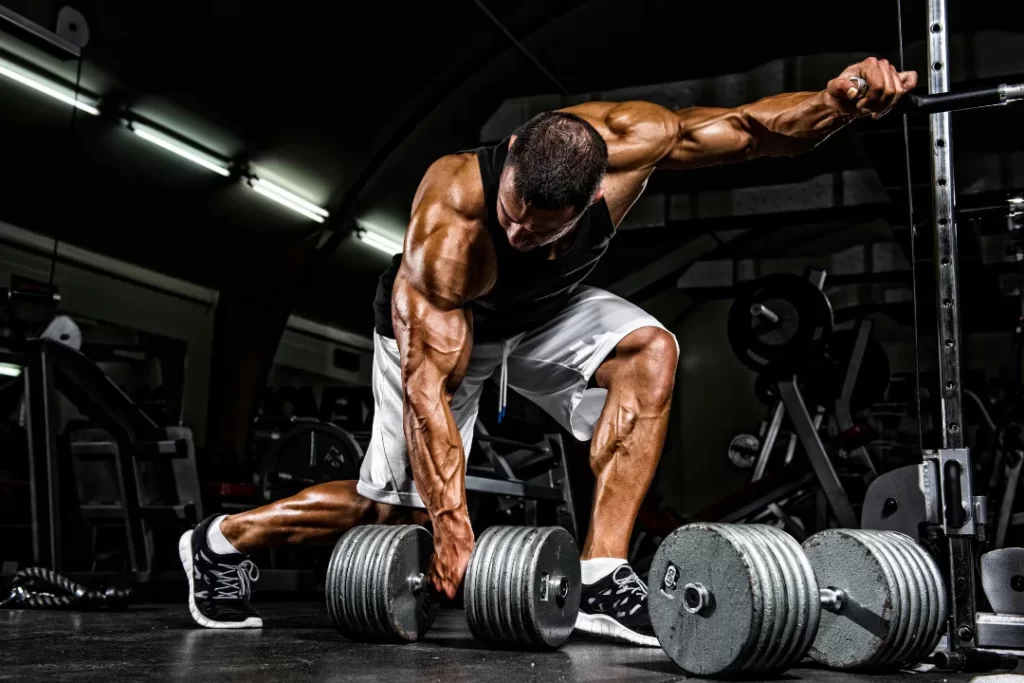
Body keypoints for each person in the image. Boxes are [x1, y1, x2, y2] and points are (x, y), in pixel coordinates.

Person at [179, 57, 916, 641]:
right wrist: (451, 525)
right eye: (515, 217)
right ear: (510, 158)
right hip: (444, 333)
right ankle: (219, 541)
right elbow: (428, 386)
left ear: (598, 193)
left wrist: (839, 103)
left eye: (544, 229)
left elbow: (753, 129)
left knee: (650, 350)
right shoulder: (452, 221)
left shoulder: (637, 141)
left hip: (544, 313)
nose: (524, 234)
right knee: (392, 513)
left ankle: (601, 574)